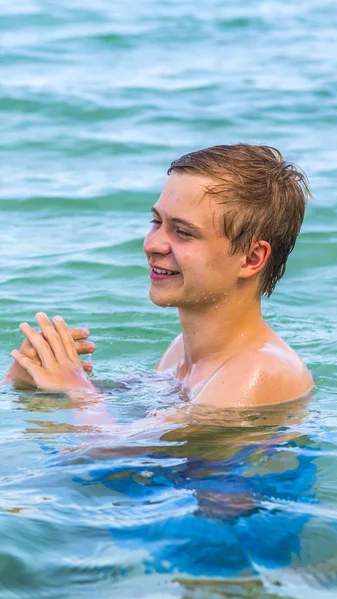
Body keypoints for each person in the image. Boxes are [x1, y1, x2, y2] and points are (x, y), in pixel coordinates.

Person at [3, 143, 313, 406]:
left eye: (183, 232)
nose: (152, 244)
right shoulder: (183, 349)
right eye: (156, 222)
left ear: (252, 258)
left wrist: (75, 390)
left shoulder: (259, 371)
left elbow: (126, 459)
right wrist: (27, 376)